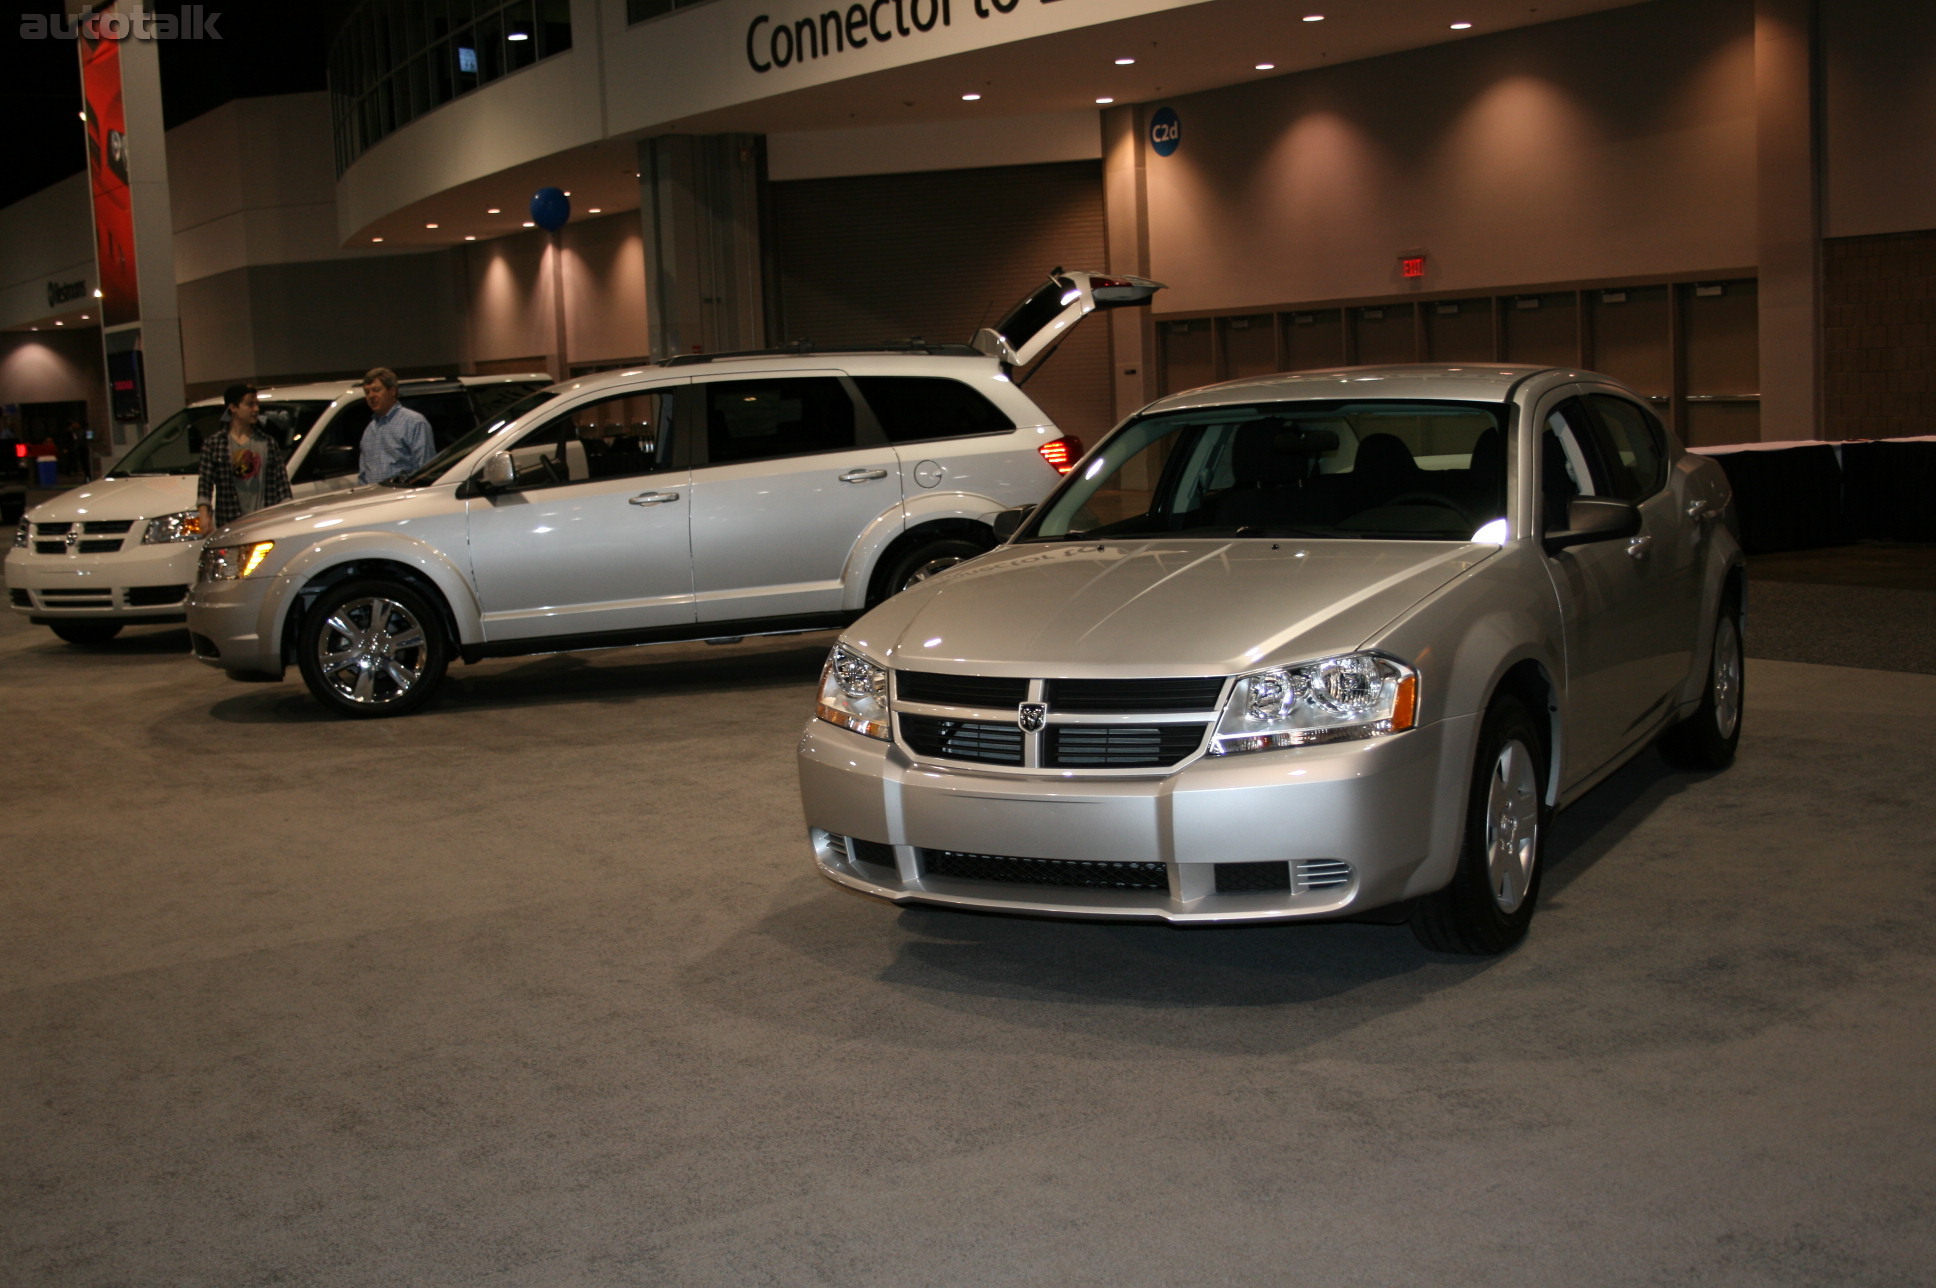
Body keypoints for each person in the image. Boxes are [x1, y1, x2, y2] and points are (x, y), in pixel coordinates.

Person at [196, 384, 291, 534]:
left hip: (263, 522)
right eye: (249, 404)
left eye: (257, 404)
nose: (256, 409)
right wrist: (204, 514)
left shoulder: (266, 443)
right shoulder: (215, 444)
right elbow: (205, 484)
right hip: (230, 522)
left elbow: (282, 487)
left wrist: (286, 516)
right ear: (233, 407)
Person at [357, 367, 433, 484]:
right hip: (374, 498)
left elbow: (425, 470)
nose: (371, 396)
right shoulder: (369, 430)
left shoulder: (413, 422)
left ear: (392, 391)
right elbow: (363, 475)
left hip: (404, 497)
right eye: (367, 392)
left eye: (376, 390)